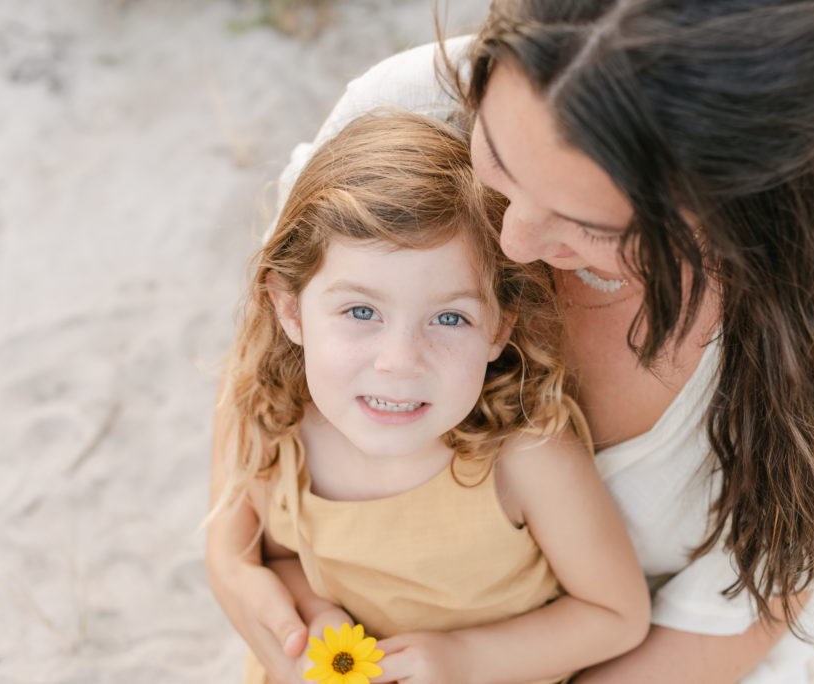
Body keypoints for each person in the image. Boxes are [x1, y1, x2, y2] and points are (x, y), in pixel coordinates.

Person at [207, 1, 814, 681]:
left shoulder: (809, 344)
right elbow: (271, 353)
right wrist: (234, 558)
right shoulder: (409, 114)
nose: (513, 243)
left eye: (594, 227)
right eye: (499, 162)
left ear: (734, 213)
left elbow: (732, 607)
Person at [208, 110, 651, 683]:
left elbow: (616, 615)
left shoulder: (524, 456)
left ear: (499, 328)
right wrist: (316, 620)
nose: (400, 359)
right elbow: (284, 556)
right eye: (361, 311)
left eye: (449, 317)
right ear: (290, 308)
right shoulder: (279, 417)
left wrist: (464, 659)